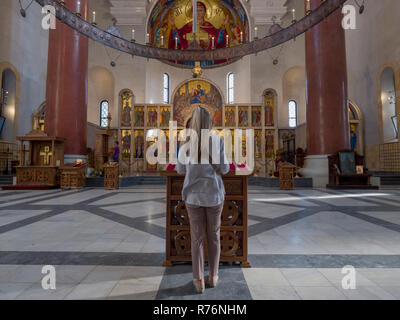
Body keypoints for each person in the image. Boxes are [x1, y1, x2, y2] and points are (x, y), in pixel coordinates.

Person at [177, 107, 230, 294]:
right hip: (214, 195)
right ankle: (213, 276)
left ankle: (198, 279)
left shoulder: (186, 143)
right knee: (214, 236)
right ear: (209, 122)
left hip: (193, 197)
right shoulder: (217, 140)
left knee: (197, 239)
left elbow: (180, 171)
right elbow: (224, 169)